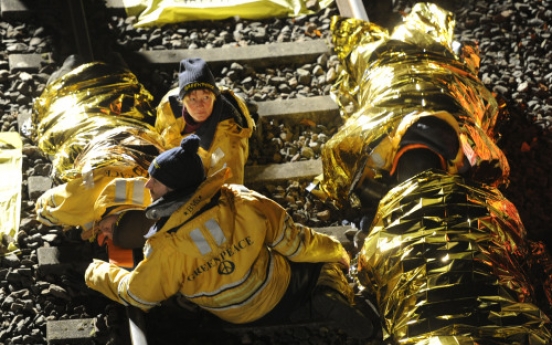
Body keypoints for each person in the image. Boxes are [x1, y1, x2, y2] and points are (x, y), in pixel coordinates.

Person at [84, 134, 375, 340]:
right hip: (276, 286)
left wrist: (96, 272)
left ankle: (321, 294)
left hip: (233, 312)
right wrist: (335, 249)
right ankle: (329, 292)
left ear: (174, 191)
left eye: (155, 181)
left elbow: (138, 294)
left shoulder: (166, 246)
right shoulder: (240, 200)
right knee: (321, 260)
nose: (147, 184)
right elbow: (294, 241)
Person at [155, 57, 255, 185]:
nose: (200, 105)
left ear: (214, 97)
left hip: (217, 157)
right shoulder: (167, 107)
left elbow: (229, 188)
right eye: (192, 99)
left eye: (206, 97)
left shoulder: (230, 136)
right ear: (182, 101)